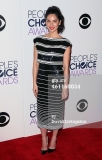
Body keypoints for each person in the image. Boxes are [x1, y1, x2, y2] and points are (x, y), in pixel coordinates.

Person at [32, 6, 72, 155]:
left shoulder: (65, 43)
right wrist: (34, 82)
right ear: (45, 22)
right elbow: (35, 64)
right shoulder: (38, 40)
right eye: (48, 20)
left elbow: (66, 67)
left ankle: (54, 138)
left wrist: (65, 87)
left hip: (57, 82)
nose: (51, 24)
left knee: (55, 113)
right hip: (42, 81)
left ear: (59, 21)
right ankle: (44, 139)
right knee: (42, 112)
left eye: (54, 20)